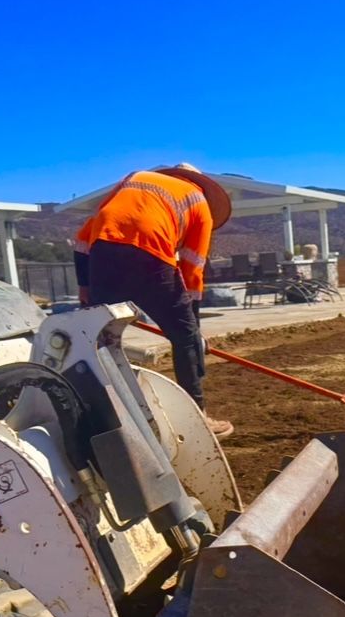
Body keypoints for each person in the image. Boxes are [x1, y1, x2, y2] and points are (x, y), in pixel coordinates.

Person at [73, 164, 234, 438]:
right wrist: (192, 330)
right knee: (183, 339)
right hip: (151, 254)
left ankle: (100, 418)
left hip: (103, 255)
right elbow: (193, 268)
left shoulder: (134, 179)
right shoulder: (199, 203)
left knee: (98, 339)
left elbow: (82, 240)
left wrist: (85, 287)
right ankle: (198, 417)